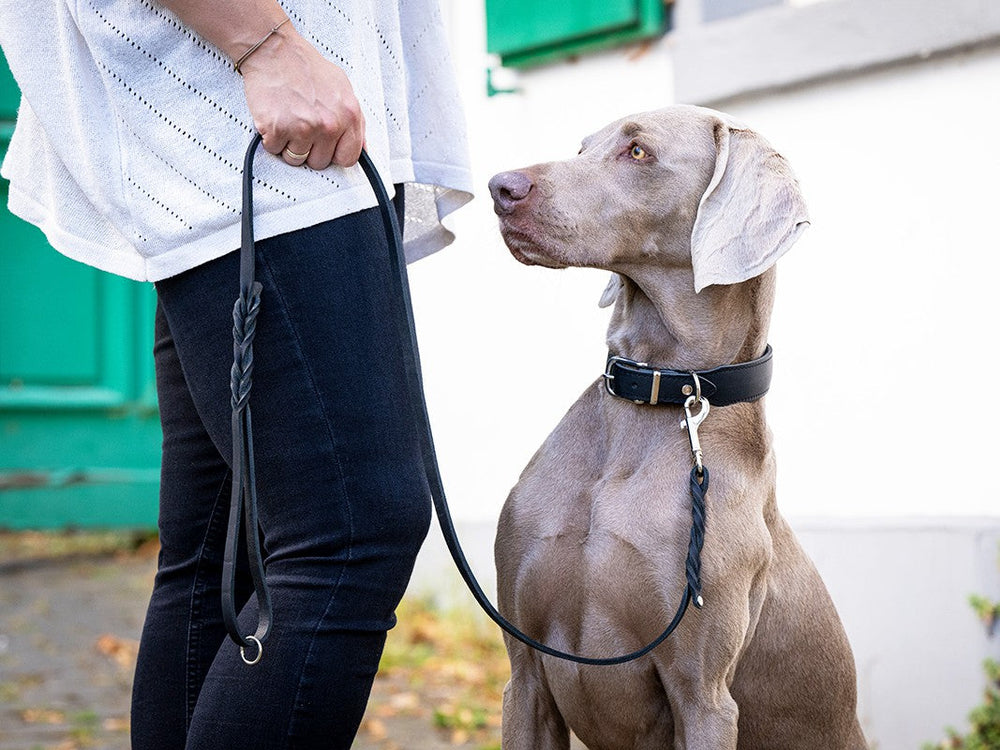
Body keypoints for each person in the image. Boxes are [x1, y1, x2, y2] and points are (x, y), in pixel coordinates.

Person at [0, 0, 473, 746]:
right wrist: (265, 45)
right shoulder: (267, 62)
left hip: (256, 114)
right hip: (255, 115)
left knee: (221, 553)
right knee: (348, 534)